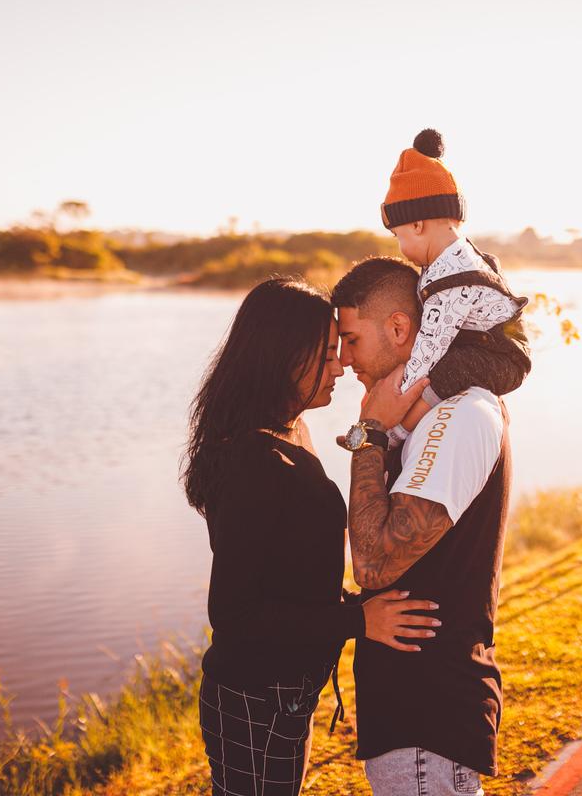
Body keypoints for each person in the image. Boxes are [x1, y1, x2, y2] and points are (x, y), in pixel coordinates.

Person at [181, 276, 440, 796]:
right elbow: (233, 612)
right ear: (281, 359)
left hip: (282, 694)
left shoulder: (285, 431)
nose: (341, 365)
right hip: (256, 697)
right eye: (325, 355)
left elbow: (290, 571)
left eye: (342, 347)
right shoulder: (256, 460)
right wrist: (356, 619)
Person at [331, 258, 514, 796]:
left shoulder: (460, 416)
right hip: (410, 716)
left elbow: (372, 563)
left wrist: (368, 432)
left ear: (398, 328)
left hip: (429, 718)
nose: (344, 362)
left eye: (351, 339)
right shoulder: (423, 419)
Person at [376, 128, 531, 447]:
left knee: (447, 369)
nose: (400, 246)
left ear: (417, 225)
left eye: (398, 236)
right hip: (488, 346)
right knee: (451, 363)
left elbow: (428, 349)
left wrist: (394, 399)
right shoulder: (456, 258)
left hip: (504, 358)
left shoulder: (452, 278)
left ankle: (401, 431)